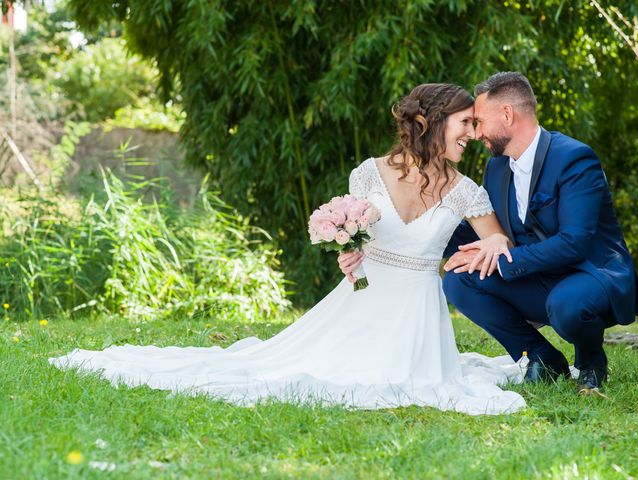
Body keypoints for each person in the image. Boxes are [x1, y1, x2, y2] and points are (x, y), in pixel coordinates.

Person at [50, 83, 526, 415]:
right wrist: (350, 251)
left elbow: (497, 238)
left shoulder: (467, 189)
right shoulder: (368, 173)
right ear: (430, 121)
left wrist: (489, 248)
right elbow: (357, 234)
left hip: (419, 312)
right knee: (289, 370)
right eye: (465, 122)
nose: (473, 133)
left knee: (407, 382)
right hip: (363, 300)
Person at [437, 72, 638, 390]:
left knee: (567, 305)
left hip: (590, 274)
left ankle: (590, 360)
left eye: (479, 122)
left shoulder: (573, 158)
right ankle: (543, 358)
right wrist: (431, 228)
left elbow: (575, 243)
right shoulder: (497, 167)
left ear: (507, 114)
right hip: (538, 276)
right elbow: (490, 233)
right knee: (460, 282)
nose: (475, 134)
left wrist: (504, 261)